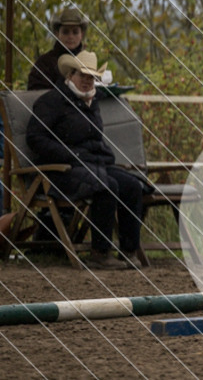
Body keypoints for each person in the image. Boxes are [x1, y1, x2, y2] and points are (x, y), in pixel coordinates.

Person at [26, 51, 146, 270]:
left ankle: (129, 251)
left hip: (94, 164)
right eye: (82, 75)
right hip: (60, 171)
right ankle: (100, 253)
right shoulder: (51, 101)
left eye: (91, 77)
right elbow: (35, 138)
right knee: (107, 186)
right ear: (70, 75)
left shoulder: (92, 102)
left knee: (132, 186)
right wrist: (69, 155)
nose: (86, 81)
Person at [28, 7, 88, 90]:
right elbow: (35, 95)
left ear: (81, 34)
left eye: (75, 32)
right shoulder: (44, 63)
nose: (70, 36)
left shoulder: (87, 62)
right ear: (57, 34)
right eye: (65, 32)